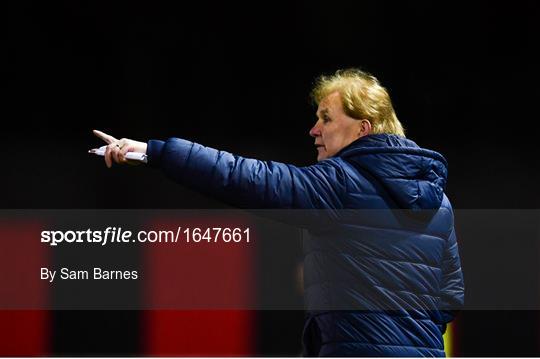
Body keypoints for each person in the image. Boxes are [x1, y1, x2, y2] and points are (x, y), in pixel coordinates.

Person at [93, 68, 464, 357]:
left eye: (326, 118)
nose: (314, 129)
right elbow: (450, 297)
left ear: (362, 129)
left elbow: (242, 176)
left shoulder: (340, 184)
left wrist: (155, 152)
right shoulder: (439, 200)